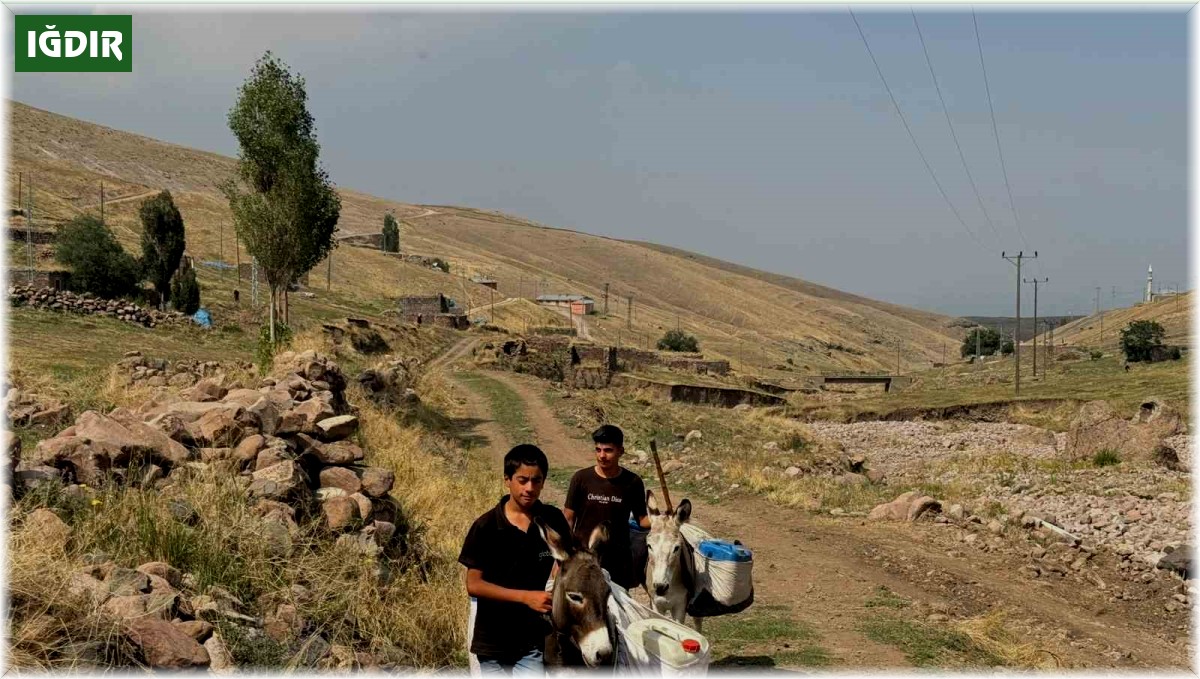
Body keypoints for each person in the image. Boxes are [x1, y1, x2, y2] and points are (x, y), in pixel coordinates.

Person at [459, 444, 570, 675]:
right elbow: (474, 585)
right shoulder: (486, 527)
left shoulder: (552, 519)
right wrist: (526, 597)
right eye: (522, 480)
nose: (530, 488)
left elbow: (567, 562)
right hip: (492, 642)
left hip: (532, 641)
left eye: (537, 481)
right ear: (507, 480)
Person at [563, 425, 650, 591]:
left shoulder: (633, 482)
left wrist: (665, 520)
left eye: (608, 450)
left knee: (617, 611)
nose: (602, 456)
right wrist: (564, 555)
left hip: (618, 561)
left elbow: (642, 520)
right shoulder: (581, 478)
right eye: (598, 450)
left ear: (621, 451)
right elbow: (568, 518)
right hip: (584, 559)